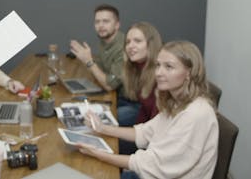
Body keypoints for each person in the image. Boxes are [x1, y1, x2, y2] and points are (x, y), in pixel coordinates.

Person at [78, 41, 218, 179]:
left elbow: (152, 165)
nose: (158, 73)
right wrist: (102, 128)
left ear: (189, 73)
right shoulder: (176, 102)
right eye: (158, 65)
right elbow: (145, 132)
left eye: (168, 67)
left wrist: (99, 154)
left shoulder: (196, 114)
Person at [70, 4, 133, 125]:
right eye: (97, 22)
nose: (101, 26)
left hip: (129, 102)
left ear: (117, 25)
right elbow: (101, 71)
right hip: (115, 96)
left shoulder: (123, 46)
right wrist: (86, 59)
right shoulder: (105, 41)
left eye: (106, 21)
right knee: (80, 110)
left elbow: (109, 85)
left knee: (89, 120)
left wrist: (88, 61)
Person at [119, 22, 162, 155]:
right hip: (147, 133)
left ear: (151, 45)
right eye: (128, 42)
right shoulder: (138, 69)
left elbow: (158, 129)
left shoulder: (160, 75)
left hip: (156, 144)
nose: (130, 46)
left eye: (137, 41)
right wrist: (135, 132)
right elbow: (144, 110)